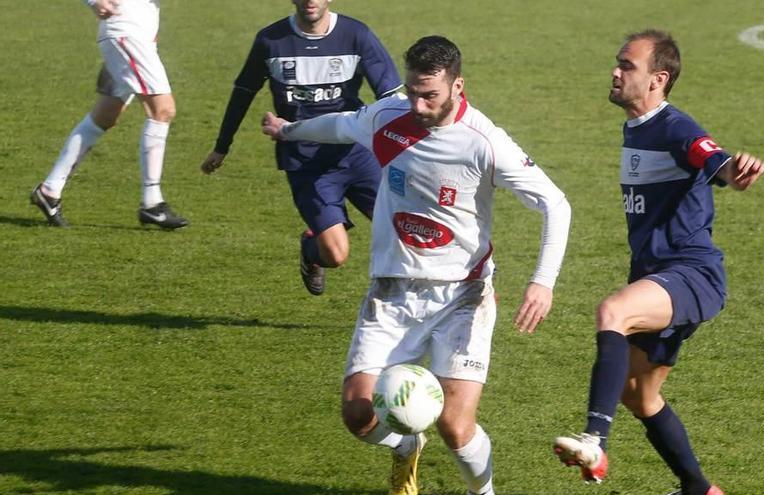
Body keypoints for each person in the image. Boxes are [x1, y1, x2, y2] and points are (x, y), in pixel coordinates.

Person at [263, 35, 571, 495]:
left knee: (454, 426)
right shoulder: (389, 119)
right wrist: (288, 130)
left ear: (457, 86)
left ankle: (481, 492)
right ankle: (406, 448)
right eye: (412, 92)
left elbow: (556, 204)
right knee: (357, 413)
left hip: (463, 296)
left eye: (430, 95)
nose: (419, 106)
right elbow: (343, 125)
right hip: (392, 292)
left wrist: (542, 282)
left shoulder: (485, 143)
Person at [552, 30, 764, 495]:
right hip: (657, 275)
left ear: (658, 79)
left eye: (627, 66)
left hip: (691, 274)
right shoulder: (638, 127)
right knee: (639, 394)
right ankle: (699, 489)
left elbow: (710, 155)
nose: (615, 71)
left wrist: (735, 169)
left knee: (613, 312)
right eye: (617, 62)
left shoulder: (673, 127)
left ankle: (594, 440)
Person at [200, 0, 401, 296]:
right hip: (306, 165)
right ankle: (311, 248)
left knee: (403, 227)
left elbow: (391, 98)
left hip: (357, 156)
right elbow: (244, 92)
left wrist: (406, 147)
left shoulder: (356, 35)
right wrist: (222, 146)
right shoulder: (270, 41)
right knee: (336, 255)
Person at [31, 0, 188, 229]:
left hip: (138, 35)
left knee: (105, 116)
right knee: (162, 110)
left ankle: (50, 190)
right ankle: (152, 204)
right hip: (126, 32)